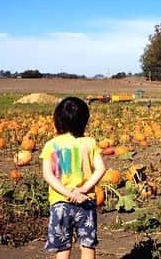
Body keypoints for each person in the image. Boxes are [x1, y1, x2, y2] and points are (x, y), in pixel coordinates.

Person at [40, 97, 107, 259]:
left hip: (60, 203)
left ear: (57, 121)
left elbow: (48, 175)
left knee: (63, 246)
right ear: (85, 121)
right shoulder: (90, 143)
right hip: (86, 200)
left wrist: (67, 193)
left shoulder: (51, 145)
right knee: (87, 244)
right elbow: (101, 169)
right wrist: (83, 189)